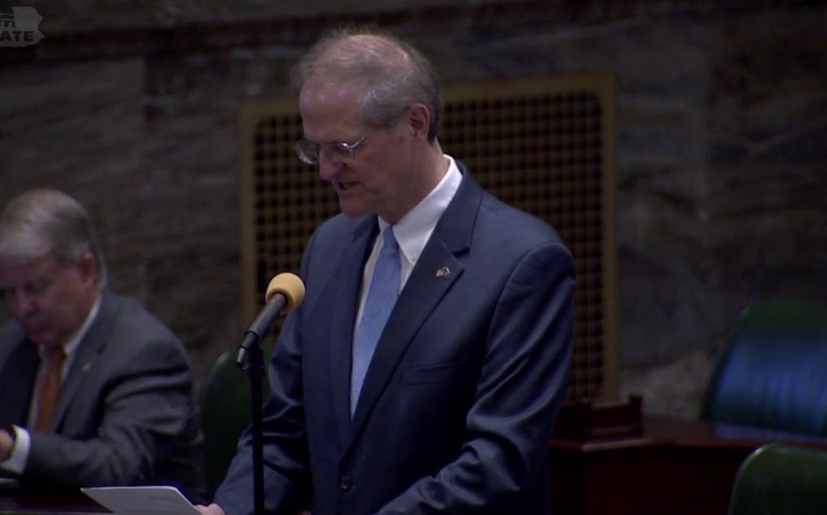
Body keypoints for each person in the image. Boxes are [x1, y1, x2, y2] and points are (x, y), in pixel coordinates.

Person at [199, 26, 575, 515]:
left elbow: (497, 462)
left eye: (345, 149)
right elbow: (285, 431)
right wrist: (230, 511)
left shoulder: (523, 263)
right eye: (315, 150)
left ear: (415, 125)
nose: (326, 171)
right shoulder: (330, 248)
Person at [0, 188, 205, 501]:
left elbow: (118, 467)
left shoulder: (145, 350)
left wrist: (10, 446)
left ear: (86, 270)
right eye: (11, 292)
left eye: (36, 288)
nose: (22, 309)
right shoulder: (13, 343)